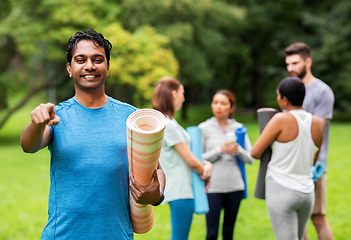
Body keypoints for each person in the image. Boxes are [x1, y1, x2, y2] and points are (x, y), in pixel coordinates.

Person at [20, 28, 165, 240]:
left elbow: (156, 168)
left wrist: (156, 194)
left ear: (108, 67)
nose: (90, 65)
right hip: (63, 235)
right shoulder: (57, 116)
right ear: (70, 68)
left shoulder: (130, 116)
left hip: (116, 235)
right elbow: (29, 145)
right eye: (81, 59)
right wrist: (37, 124)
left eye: (98, 59)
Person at [251, 76, 324, 240]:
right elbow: (313, 160)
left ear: (284, 99)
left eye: (278, 95)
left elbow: (255, 152)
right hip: (306, 192)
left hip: (281, 189)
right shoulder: (318, 123)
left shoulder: (280, 119)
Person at [152, 76, 212, 240]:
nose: (184, 98)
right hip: (180, 190)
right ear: (173, 94)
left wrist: (205, 164)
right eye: (182, 93)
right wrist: (205, 169)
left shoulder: (170, 122)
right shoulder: (168, 125)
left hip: (183, 189)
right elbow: (191, 161)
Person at [285, 42, 335, 240]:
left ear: (308, 62)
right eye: (288, 64)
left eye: (295, 63)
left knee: (317, 217)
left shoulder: (322, 92)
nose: (290, 68)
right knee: (298, 218)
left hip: (314, 165)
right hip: (291, 165)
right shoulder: (288, 88)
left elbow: (317, 130)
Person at [198, 90, 254, 240]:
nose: (218, 106)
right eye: (215, 102)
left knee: (228, 233)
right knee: (211, 234)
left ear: (231, 107)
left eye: (223, 103)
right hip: (213, 187)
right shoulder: (204, 128)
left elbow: (250, 158)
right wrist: (219, 150)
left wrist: (238, 150)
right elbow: (198, 159)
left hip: (235, 186)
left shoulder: (240, 128)